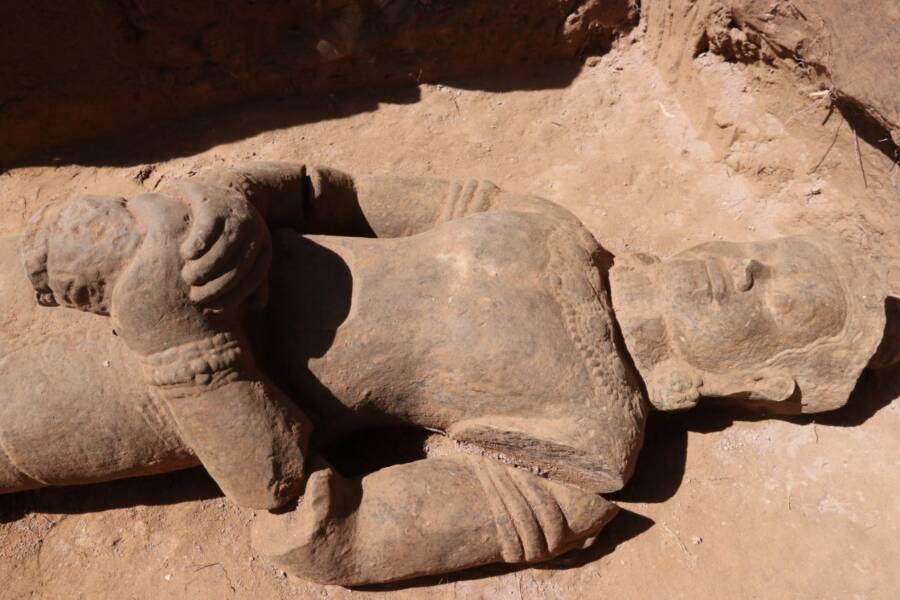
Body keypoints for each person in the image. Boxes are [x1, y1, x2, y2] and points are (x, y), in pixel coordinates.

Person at [3, 162, 893, 585]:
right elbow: (325, 194)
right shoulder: (543, 220)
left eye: (781, 304)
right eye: (767, 256)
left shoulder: (582, 454)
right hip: (140, 256)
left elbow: (325, 535)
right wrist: (229, 206)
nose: (743, 271)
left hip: (128, 389)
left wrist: (187, 355)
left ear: (764, 386)